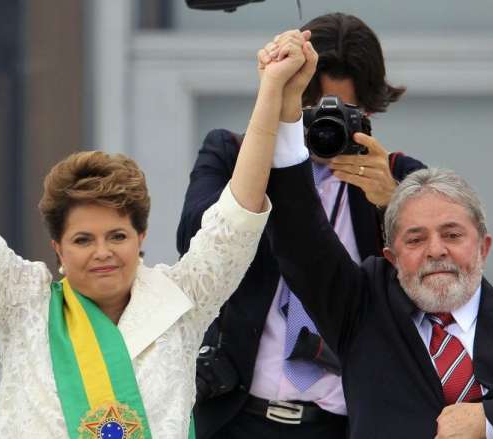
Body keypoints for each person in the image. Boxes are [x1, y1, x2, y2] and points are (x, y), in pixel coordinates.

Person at [0, 33, 316, 438]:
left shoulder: (181, 302)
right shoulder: (23, 304)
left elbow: (236, 221)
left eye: (116, 236)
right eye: (82, 240)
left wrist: (271, 91)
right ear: (57, 246)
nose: (102, 253)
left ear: (141, 236)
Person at [178, 13, 423, 438]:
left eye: (347, 112)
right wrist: (268, 162)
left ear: (369, 110)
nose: (326, 129)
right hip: (236, 414)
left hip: (342, 422)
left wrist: (392, 203)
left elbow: (432, 292)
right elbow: (192, 242)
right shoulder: (233, 155)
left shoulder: (399, 176)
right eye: (313, 113)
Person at [264, 148, 493, 436]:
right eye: (416, 239)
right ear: (391, 257)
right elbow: (300, 236)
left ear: (483, 247)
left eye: (452, 235)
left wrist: (487, 421)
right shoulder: (362, 312)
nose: (436, 250)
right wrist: (283, 109)